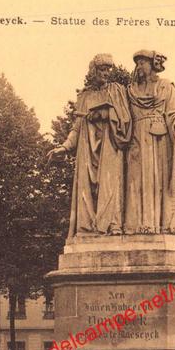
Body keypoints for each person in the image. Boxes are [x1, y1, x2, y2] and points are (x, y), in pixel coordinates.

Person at [48, 54, 131, 237]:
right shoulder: (84, 96)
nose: (106, 73)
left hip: (110, 145)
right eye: (102, 69)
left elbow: (125, 119)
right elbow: (76, 128)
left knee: (111, 185)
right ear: (93, 71)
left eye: (109, 69)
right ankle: (87, 228)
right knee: (87, 190)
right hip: (88, 150)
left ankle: (112, 225)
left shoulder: (117, 91)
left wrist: (105, 114)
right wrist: (65, 147)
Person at [124, 50, 175, 235]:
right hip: (136, 137)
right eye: (138, 63)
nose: (139, 66)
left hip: (158, 138)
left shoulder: (166, 86)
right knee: (135, 180)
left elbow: (174, 110)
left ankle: (161, 224)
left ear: (152, 64)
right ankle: (135, 225)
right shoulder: (130, 90)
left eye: (142, 62)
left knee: (158, 180)